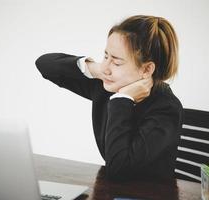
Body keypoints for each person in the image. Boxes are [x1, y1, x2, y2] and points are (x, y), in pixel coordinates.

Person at [35, 15, 183, 180]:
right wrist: (96, 69)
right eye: (106, 56)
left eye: (117, 62)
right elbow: (45, 64)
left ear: (147, 70)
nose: (106, 67)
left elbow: (118, 170)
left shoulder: (166, 109)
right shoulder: (107, 84)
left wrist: (123, 99)